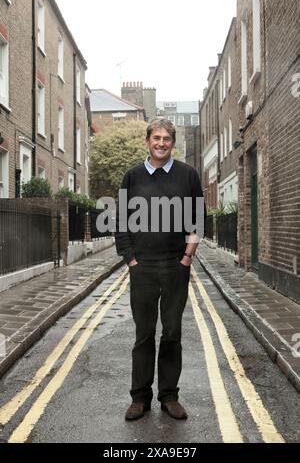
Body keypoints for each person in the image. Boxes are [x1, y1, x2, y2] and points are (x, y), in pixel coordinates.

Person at [115, 118, 205, 421]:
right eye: (156, 138)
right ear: (147, 141)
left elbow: (197, 220)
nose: (161, 143)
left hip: (175, 267)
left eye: (167, 139)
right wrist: (131, 260)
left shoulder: (188, 175)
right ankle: (139, 398)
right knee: (143, 335)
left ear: (173, 142)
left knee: (172, 334)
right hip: (143, 268)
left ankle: (169, 396)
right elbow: (121, 222)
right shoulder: (132, 177)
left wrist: (187, 259)